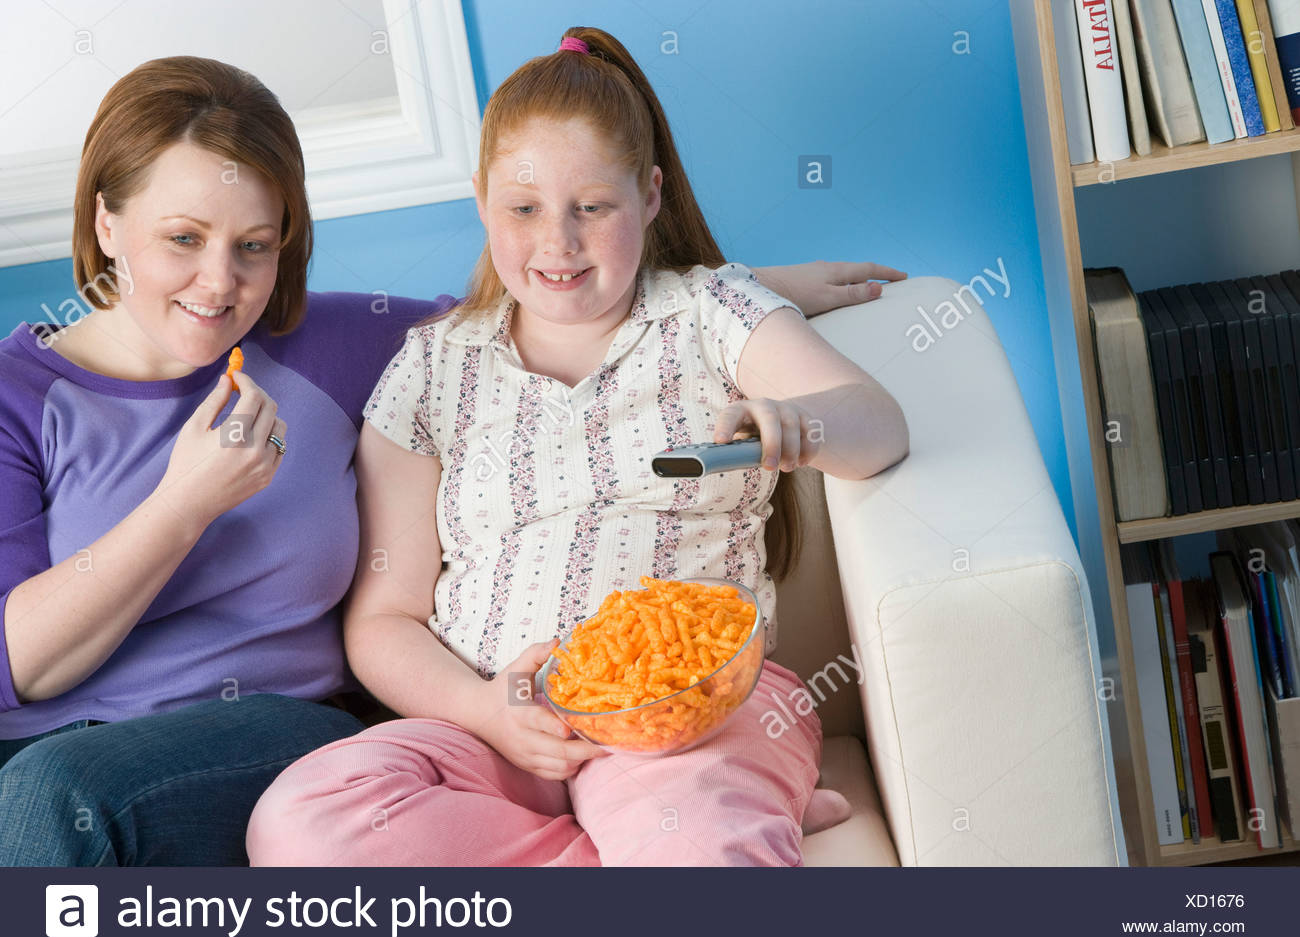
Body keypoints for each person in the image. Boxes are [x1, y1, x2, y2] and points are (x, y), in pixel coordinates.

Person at [0, 53, 904, 866]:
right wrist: (182, 504)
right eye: (183, 239)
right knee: (114, 800)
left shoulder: (321, 341)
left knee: (53, 796)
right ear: (106, 225)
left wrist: (747, 296)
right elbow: (23, 666)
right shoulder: (21, 390)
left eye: (256, 247)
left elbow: (556, 304)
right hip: (57, 744)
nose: (221, 284)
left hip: (244, 734)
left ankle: (700, 829)